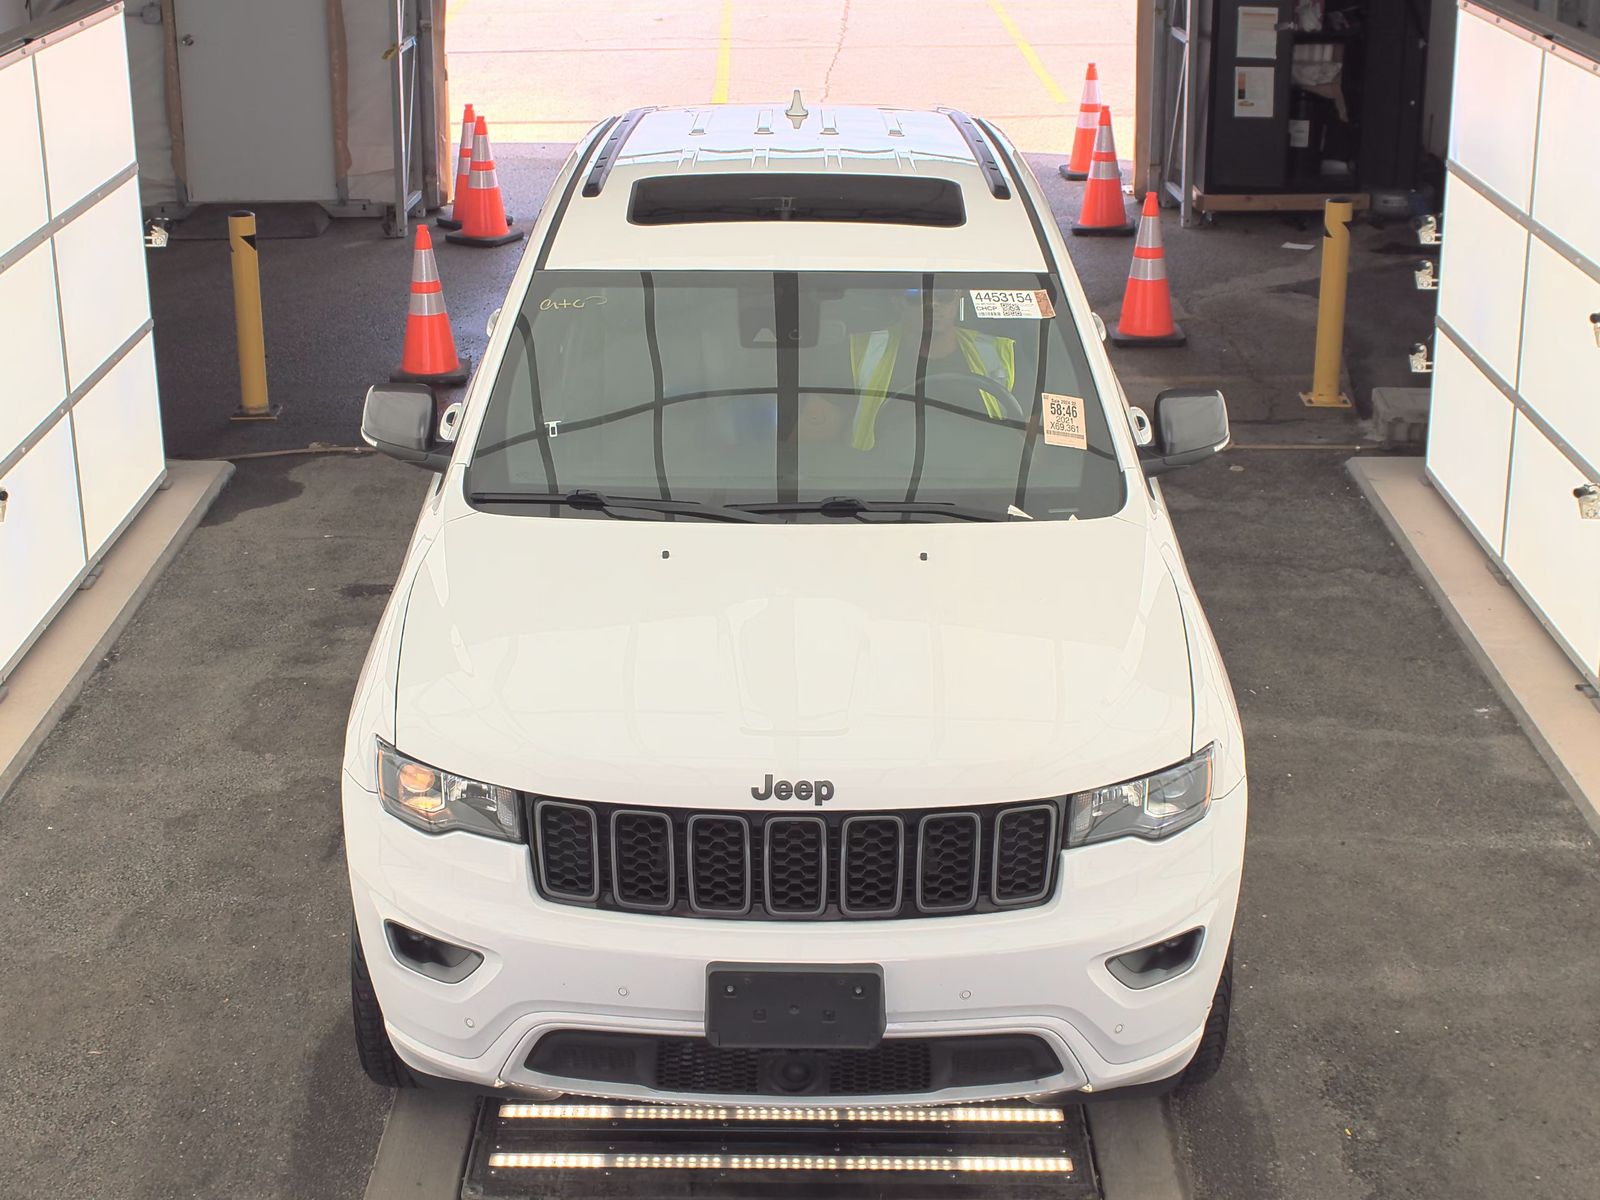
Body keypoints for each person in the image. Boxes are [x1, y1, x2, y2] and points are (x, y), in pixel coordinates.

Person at [847, 289, 1017, 451]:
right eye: (916, 296)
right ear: (897, 303)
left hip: (990, 476)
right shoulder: (859, 350)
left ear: (958, 299)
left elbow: (1033, 430)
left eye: (944, 295)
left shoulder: (1001, 353)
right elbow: (826, 418)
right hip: (879, 473)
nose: (932, 304)